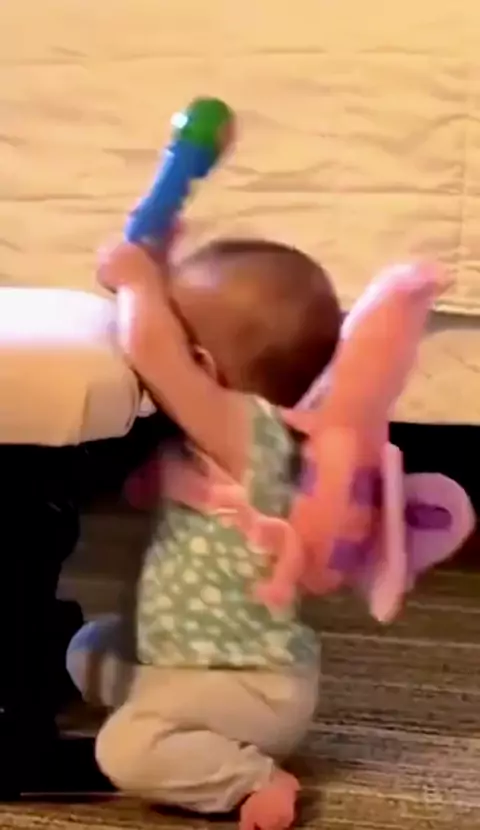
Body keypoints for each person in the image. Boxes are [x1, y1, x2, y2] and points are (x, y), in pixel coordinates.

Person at [85, 232, 342, 829]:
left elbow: (150, 347)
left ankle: (252, 776)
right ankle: (171, 717)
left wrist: (136, 282)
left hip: (250, 687)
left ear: (202, 365)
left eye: (177, 330)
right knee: (87, 649)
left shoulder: (249, 431)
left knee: (123, 752)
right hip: (187, 659)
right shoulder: (220, 439)